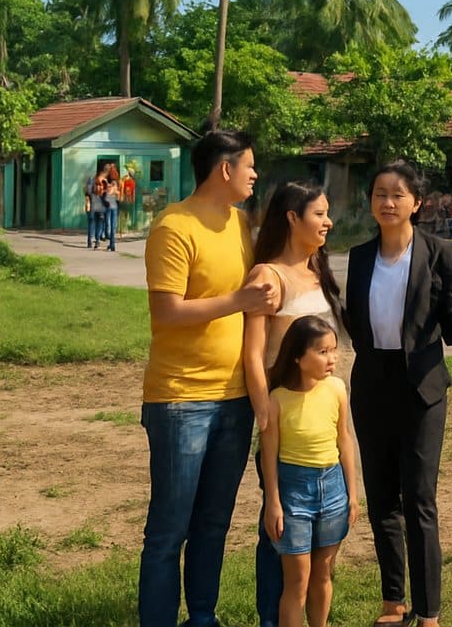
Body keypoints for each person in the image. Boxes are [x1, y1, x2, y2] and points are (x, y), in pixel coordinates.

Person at [345, 160, 452, 627]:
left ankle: (429, 611)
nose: (388, 202)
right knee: (381, 499)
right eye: (380, 193)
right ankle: (393, 602)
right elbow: (355, 323)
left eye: (398, 194)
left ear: (416, 203)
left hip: (422, 387)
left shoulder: (438, 252)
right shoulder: (360, 257)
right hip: (372, 383)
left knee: (418, 497)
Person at [139, 129, 277, 627]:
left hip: (235, 397)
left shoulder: (242, 225)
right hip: (180, 399)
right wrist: (239, 302)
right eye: (249, 165)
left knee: (214, 523)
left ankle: (202, 616)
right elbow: (167, 313)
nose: (254, 174)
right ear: (225, 169)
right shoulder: (173, 226)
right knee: (168, 529)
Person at [242, 181, 345, 627]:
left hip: (322, 420)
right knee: (280, 530)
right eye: (319, 213)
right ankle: (273, 618)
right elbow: (253, 350)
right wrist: (263, 409)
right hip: (284, 424)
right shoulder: (268, 275)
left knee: (310, 546)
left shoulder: (319, 270)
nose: (328, 222)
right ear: (291, 217)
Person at [260, 315, 359, 627]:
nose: (332, 359)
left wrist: (352, 496)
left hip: (333, 490)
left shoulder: (337, 389)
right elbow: (269, 455)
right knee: (297, 583)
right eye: (322, 352)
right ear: (298, 358)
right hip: (293, 494)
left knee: (322, 575)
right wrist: (273, 502)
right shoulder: (277, 400)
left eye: (333, 350)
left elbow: (344, 439)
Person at [87, 172, 107, 249]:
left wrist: (90, 180)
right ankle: (95, 241)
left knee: (93, 225)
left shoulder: (93, 190)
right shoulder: (101, 188)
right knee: (96, 225)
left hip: (96, 209)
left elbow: (88, 192)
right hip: (98, 209)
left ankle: (91, 241)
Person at [103, 168, 121, 251]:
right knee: (111, 225)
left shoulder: (112, 184)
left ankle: (112, 244)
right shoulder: (111, 183)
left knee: (109, 225)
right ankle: (112, 244)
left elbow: (109, 194)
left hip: (111, 207)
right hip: (113, 207)